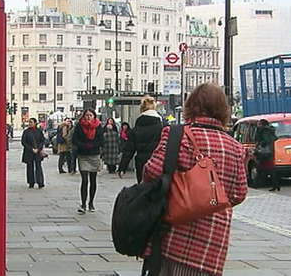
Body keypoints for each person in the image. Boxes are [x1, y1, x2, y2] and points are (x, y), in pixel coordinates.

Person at [142, 83, 248, 276]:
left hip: (172, 234)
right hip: (211, 244)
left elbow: (152, 171)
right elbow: (239, 193)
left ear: (190, 106)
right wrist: (210, 202)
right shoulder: (235, 147)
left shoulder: (177, 135)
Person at [117, 96, 164, 183]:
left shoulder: (136, 129)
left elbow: (129, 150)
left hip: (142, 163)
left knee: (143, 190)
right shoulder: (162, 127)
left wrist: (122, 168)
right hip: (159, 163)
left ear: (141, 110)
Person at [72, 108, 104, 213]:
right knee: (84, 180)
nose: (88, 117)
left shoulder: (98, 126)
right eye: (87, 115)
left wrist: (93, 145)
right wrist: (84, 145)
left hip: (94, 155)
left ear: (94, 116)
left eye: (91, 115)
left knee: (93, 180)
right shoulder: (79, 126)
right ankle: (83, 203)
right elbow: (74, 140)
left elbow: (101, 141)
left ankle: (91, 203)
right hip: (83, 155)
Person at [254, 119, 280, 191]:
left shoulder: (263, 131)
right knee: (268, 169)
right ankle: (275, 185)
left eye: (259, 123)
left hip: (264, 153)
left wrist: (260, 143)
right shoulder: (270, 130)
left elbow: (265, 140)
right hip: (269, 152)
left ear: (262, 124)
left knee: (262, 169)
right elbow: (275, 138)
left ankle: (256, 185)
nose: (257, 124)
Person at [21, 118, 46, 189]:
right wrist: (31, 149)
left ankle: (40, 182)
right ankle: (31, 182)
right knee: (30, 167)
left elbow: (42, 140)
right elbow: (24, 142)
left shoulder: (39, 131)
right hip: (29, 152)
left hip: (37, 152)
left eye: (31, 122)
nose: (30, 123)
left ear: (35, 123)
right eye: (29, 122)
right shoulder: (26, 132)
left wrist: (38, 148)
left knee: (38, 166)